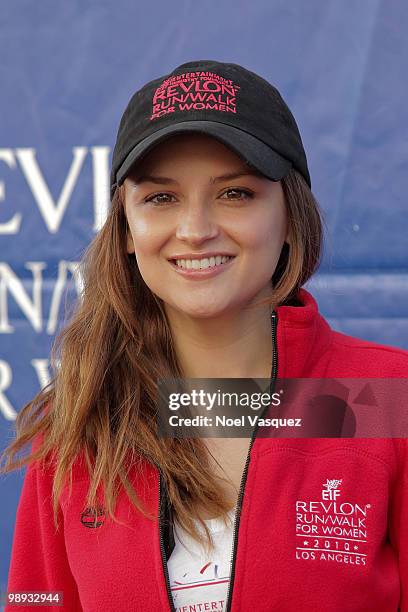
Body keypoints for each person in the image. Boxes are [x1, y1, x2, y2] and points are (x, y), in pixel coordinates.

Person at [1, 59, 407, 612]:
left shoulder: (384, 397)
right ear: (126, 228)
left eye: (235, 194)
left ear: (290, 216)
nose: (196, 230)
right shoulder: (79, 425)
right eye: (161, 198)